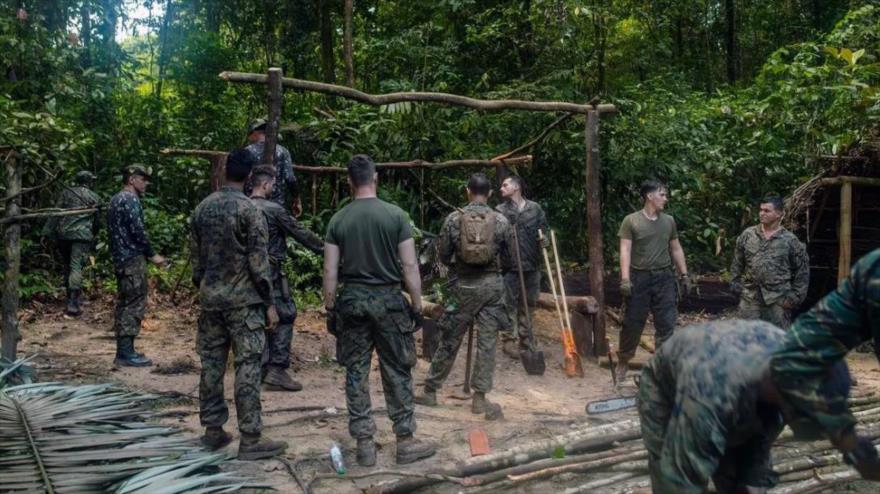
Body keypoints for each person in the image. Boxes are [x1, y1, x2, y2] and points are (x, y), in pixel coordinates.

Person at [638, 319, 852, 493]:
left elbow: (759, 447)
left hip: (744, 380)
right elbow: (680, 478)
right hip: (666, 389)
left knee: (744, 477)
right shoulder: (711, 392)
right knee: (673, 468)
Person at [323, 154, 435, 467]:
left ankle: (364, 444)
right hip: (389, 302)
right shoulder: (396, 216)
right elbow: (410, 265)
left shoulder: (338, 220)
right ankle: (405, 441)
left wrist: (330, 308)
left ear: (349, 181)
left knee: (356, 371)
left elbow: (330, 271)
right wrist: (416, 304)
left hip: (353, 302)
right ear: (376, 179)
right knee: (397, 369)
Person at [190, 148, 287, 460]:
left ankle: (213, 432)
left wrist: (205, 288)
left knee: (212, 365)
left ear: (223, 172)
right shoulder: (250, 211)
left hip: (211, 301)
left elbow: (196, 262)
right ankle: (250, 437)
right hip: (244, 303)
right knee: (247, 366)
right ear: (248, 177)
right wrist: (269, 303)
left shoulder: (202, 209)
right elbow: (259, 263)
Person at [770, 248, 880, 482]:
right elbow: (796, 355)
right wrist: (850, 442)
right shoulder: (873, 272)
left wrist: (849, 442)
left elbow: (793, 357)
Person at [415, 173, 513, 420]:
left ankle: (431, 390)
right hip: (492, 288)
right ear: (490, 193)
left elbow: (444, 256)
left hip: (463, 286)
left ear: (468, 191)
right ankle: (480, 399)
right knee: (487, 343)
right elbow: (510, 259)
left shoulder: (453, 219)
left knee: (450, 338)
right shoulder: (501, 221)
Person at [250, 165, 324, 392]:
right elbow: (300, 233)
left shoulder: (240, 206)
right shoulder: (274, 209)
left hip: (244, 272)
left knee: (257, 315)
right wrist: (327, 249)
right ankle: (277, 369)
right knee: (285, 313)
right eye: (273, 184)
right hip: (271, 271)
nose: (274, 187)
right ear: (266, 184)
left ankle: (260, 366)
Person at [617, 179, 690, 383]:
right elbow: (625, 250)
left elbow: (676, 248)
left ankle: (661, 370)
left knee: (666, 324)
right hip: (639, 278)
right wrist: (625, 279)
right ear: (650, 196)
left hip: (664, 278)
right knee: (632, 324)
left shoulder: (669, 221)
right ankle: (623, 362)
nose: (665, 199)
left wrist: (684, 275)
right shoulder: (631, 221)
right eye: (662, 194)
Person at [107, 165, 165, 367]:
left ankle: (124, 350)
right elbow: (137, 230)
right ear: (132, 179)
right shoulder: (129, 199)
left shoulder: (115, 199)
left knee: (124, 302)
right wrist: (152, 254)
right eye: (143, 179)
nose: (146, 183)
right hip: (131, 258)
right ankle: (126, 353)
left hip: (120, 258)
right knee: (134, 303)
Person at [730, 196, 809, 328]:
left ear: (779, 214)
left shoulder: (790, 241)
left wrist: (794, 298)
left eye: (767, 211)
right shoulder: (748, 235)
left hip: (778, 300)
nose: (762, 213)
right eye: (761, 210)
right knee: (746, 339)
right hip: (750, 298)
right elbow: (737, 262)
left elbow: (803, 272)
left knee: (776, 341)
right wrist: (735, 284)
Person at [495, 175, 548, 358]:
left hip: (532, 266)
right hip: (509, 267)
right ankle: (509, 340)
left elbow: (543, 230)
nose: (501, 188)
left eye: (505, 185)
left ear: (516, 187)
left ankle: (526, 339)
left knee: (529, 304)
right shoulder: (500, 211)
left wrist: (545, 240)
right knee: (507, 304)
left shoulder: (535, 209)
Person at [42, 170, 101, 316]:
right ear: (89, 181)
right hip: (81, 236)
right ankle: (73, 303)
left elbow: (56, 213)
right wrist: (93, 233)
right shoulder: (94, 197)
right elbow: (97, 221)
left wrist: (46, 232)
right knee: (76, 266)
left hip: (64, 234)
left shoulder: (66, 193)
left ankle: (71, 298)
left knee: (67, 265)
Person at [243, 118, 302, 216]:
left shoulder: (247, 152)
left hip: (252, 206)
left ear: (255, 133)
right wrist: (297, 200)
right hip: (276, 208)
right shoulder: (282, 151)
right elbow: (291, 179)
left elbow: (240, 178)